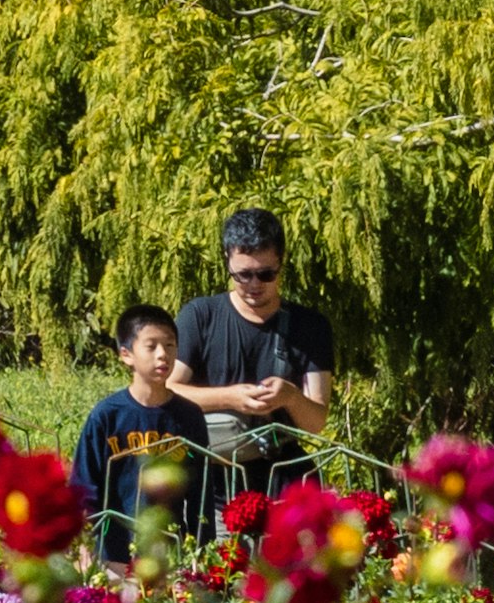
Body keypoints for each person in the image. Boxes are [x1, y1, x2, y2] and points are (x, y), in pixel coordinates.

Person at [175, 209, 337, 496]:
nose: (254, 285)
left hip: (284, 482)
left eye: (265, 274)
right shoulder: (199, 316)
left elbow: (315, 423)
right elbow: (166, 392)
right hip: (213, 484)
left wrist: (289, 396)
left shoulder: (311, 326)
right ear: (227, 261)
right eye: (243, 275)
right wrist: (231, 398)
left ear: (281, 263)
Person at [69, 304, 214, 559]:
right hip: (114, 552)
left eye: (170, 345)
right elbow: (84, 488)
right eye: (151, 346)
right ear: (126, 354)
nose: (163, 355)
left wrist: (202, 554)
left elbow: (200, 492)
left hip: (169, 552)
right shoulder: (107, 415)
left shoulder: (189, 417)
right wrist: (85, 551)